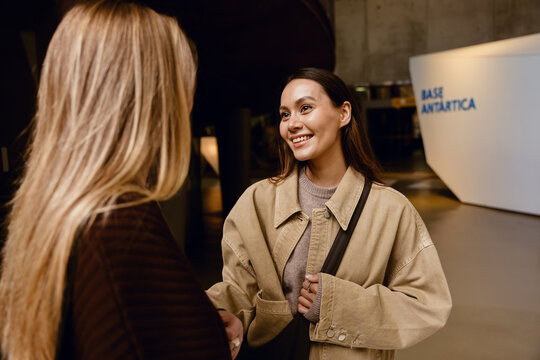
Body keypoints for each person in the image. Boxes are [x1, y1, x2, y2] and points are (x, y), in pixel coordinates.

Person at [0, 1, 241, 359]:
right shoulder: (119, 228)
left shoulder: (55, 216)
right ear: (151, 100)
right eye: (183, 85)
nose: (189, 103)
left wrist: (198, 321)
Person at [207, 67, 452, 359]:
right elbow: (238, 287)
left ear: (344, 113)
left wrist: (336, 304)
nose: (292, 124)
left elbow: (427, 304)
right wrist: (228, 314)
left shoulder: (391, 210)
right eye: (285, 114)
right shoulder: (256, 202)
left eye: (305, 108)